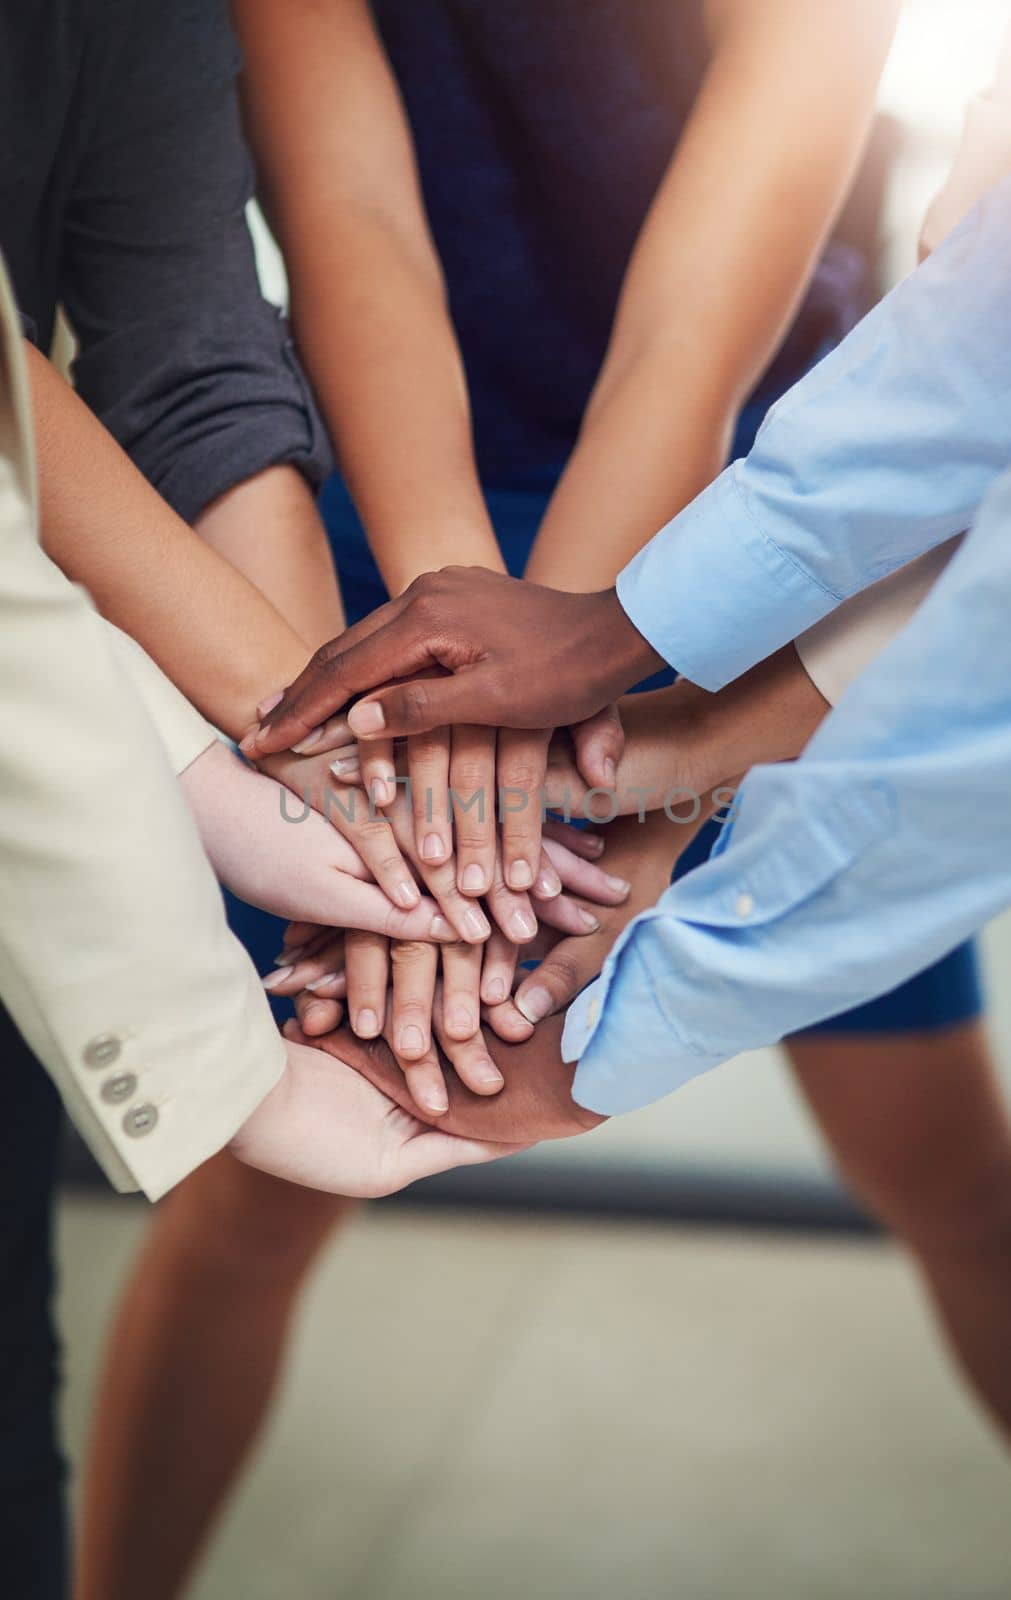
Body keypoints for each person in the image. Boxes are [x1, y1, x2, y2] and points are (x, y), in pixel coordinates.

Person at [254, 35, 1011, 1445]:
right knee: (260, 1199)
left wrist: (590, 750)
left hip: (768, 500)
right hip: (469, 520)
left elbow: (692, 348)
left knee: (946, 1176)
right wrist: (482, 710)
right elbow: (350, 216)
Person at [0, 244, 517, 1597]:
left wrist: (367, 762)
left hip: (249, 603)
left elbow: (187, 337)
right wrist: (352, 754)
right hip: (237, 580)